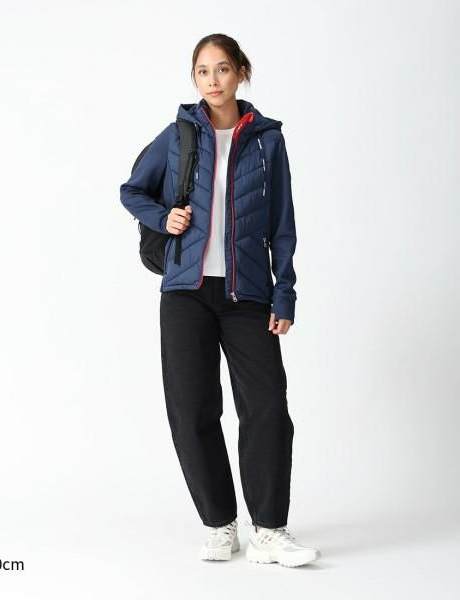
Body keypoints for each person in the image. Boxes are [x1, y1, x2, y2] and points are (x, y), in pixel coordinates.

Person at [120, 33, 320, 568]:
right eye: (203, 71)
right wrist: (163, 217)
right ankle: (220, 523)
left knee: (268, 409)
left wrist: (284, 292)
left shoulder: (267, 140)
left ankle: (269, 531)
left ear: (240, 73)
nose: (213, 80)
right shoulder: (179, 135)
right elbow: (131, 190)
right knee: (192, 412)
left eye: (223, 68)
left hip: (247, 293)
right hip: (185, 293)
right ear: (195, 78)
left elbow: (282, 223)